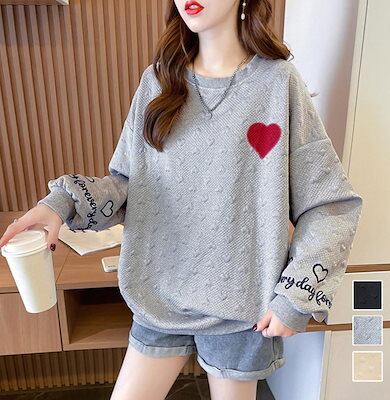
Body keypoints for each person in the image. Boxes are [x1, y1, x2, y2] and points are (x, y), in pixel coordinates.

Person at [0, 0, 363, 398]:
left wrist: (296, 297)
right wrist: (60, 204)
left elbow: (330, 204)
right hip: (159, 294)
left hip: (241, 308)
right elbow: (128, 186)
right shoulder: (157, 81)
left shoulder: (278, 84)